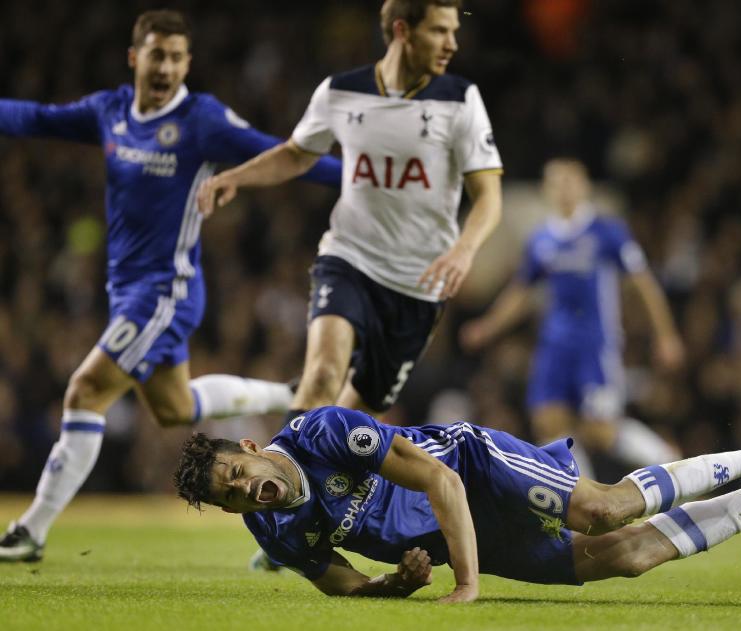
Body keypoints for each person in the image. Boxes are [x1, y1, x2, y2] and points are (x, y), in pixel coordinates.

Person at [0, 10, 342, 562]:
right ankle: (289, 394)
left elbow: (286, 154)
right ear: (135, 58)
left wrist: (359, 179)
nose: (167, 67)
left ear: (188, 63)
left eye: (178, 57)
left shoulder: (200, 120)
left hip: (166, 289)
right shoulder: (110, 111)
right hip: (126, 289)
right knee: (173, 407)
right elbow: (37, 117)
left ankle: (32, 530)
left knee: (86, 391)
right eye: (157, 55)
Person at [174, 409, 741, 602]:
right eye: (231, 495)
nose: (247, 488)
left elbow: (440, 483)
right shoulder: (277, 532)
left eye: (239, 471)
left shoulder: (323, 432)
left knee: (601, 510)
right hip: (455, 540)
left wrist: (467, 584)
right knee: (625, 557)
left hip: (472, 470)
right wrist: (395, 584)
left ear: (250, 444)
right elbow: (346, 584)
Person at [196, 0, 502, 423]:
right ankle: (288, 479)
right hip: (349, 258)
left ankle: (316, 475)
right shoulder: (340, 92)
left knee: (357, 413)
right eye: (439, 31)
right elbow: (295, 154)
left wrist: (465, 249)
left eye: (453, 32)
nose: (452, 43)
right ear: (402, 31)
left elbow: (489, 195)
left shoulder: (459, 99)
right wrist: (236, 178)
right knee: (322, 373)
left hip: (418, 284)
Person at [461, 158, 685, 479]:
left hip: (594, 343)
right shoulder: (541, 240)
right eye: (557, 182)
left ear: (584, 187)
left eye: (570, 181)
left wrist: (666, 334)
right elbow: (521, 292)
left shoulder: (607, 232)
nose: (564, 189)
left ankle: (669, 460)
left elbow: (643, 283)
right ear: (546, 190)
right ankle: (587, 499)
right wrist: (488, 326)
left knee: (599, 431)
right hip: (554, 343)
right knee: (549, 425)